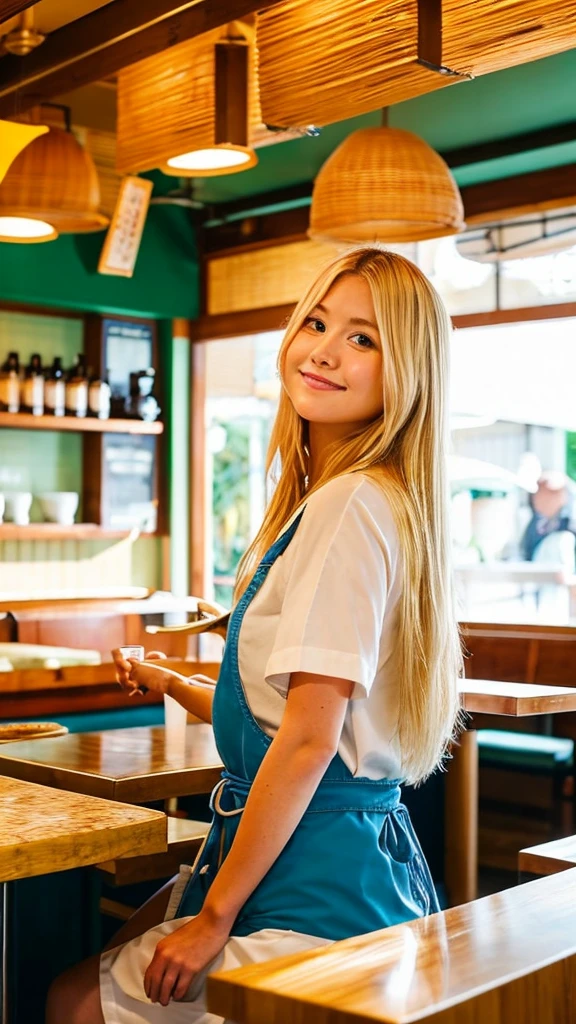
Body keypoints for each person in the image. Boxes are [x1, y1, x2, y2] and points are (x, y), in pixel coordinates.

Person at [47, 246, 463, 1024]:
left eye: (364, 339)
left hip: (312, 888)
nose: (325, 350)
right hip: (357, 863)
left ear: (409, 371)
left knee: (70, 999)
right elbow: (291, 726)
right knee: (117, 950)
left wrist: (213, 921)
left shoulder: (348, 507)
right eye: (317, 322)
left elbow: (308, 744)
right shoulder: (373, 498)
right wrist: (176, 685)